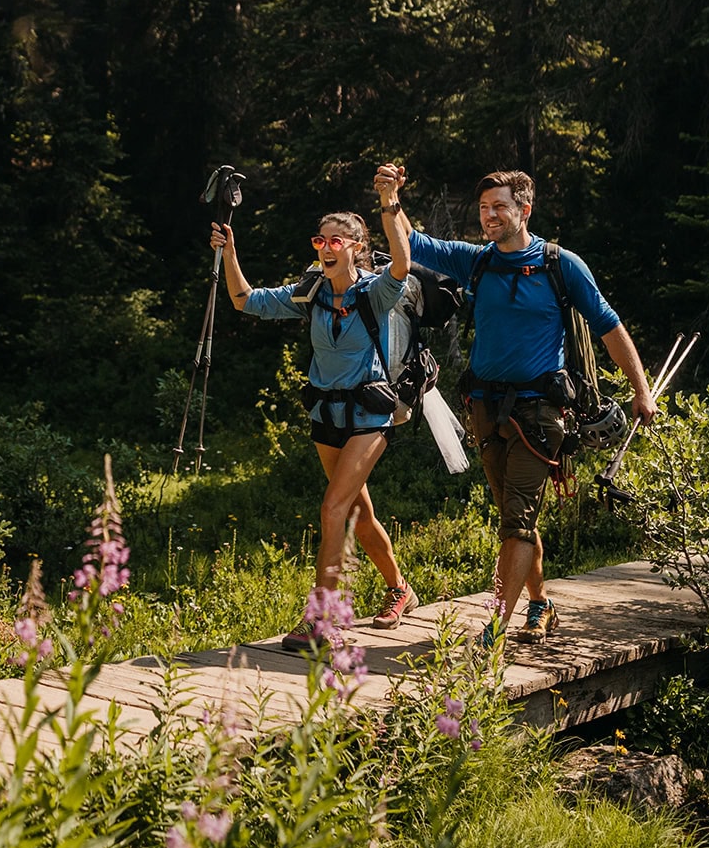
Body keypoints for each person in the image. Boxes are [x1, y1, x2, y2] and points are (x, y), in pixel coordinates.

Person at [374, 162, 657, 641]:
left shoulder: (559, 264)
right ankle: (541, 603)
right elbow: (410, 242)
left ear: (525, 209)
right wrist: (389, 200)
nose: (489, 216)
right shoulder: (478, 260)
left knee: (518, 517)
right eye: (484, 208)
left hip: (539, 412)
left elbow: (609, 325)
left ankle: (494, 629)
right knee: (514, 513)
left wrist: (641, 389)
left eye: (499, 207)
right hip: (485, 408)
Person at [210, 174, 419, 653]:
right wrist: (229, 252)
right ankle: (399, 588)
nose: (325, 247)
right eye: (319, 240)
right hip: (326, 413)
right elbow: (245, 301)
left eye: (335, 241)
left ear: (356, 247)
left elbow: (403, 265)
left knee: (332, 508)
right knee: (359, 513)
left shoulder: (375, 293)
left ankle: (321, 621)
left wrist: (390, 206)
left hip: (370, 414)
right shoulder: (311, 292)